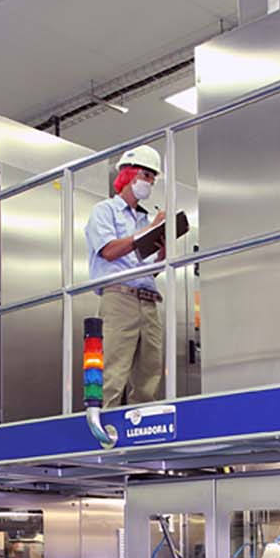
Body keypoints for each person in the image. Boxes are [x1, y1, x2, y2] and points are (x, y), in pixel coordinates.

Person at [84, 143, 169, 407]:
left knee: (149, 375)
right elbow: (109, 251)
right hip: (119, 298)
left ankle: (141, 433)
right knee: (112, 372)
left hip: (148, 299)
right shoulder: (104, 211)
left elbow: (151, 268)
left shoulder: (145, 219)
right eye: (146, 176)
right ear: (128, 174)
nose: (149, 183)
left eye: (152, 179)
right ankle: (100, 431)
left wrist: (163, 246)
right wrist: (147, 233)